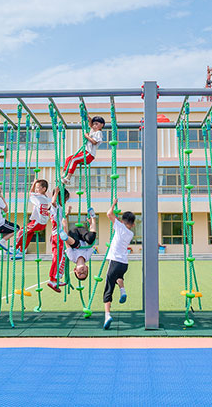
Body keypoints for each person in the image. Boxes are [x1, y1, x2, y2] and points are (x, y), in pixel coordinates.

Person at [103, 199, 135, 330]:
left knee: (108, 288)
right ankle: (123, 291)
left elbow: (108, 214)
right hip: (124, 263)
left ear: (122, 221)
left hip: (115, 261)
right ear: (133, 224)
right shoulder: (131, 233)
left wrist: (113, 204)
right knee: (119, 278)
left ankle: (107, 315)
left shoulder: (120, 226)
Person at [61, 116, 105, 184]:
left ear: (102, 125)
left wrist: (87, 136)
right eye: (93, 124)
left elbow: (94, 142)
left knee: (73, 160)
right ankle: (64, 174)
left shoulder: (98, 132)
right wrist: (87, 116)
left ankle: (68, 178)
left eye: (96, 124)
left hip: (89, 154)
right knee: (69, 158)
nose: (94, 126)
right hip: (84, 152)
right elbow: (90, 123)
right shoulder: (92, 131)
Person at [14, 178, 51, 254]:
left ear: (44, 189)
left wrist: (33, 183)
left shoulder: (38, 197)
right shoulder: (45, 197)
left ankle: (15, 247)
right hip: (42, 223)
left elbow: (31, 193)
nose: (36, 189)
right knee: (29, 234)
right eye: (36, 188)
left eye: (38, 188)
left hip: (38, 222)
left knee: (22, 231)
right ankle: (21, 250)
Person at [63, 206, 98, 283]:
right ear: (87, 268)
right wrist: (91, 225)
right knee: (90, 240)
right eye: (85, 272)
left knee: (75, 245)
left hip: (73, 235)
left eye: (79, 273)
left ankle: (64, 236)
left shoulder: (72, 257)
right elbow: (91, 244)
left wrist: (64, 226)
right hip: (82, 233)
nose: (82, 271)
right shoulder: (87, 257)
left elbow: (67, 244)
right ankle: (93, 217)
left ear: (75, 270)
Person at [47, 186, 71, 292]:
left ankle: (53, 280)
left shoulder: (59, 208)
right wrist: (56, 192)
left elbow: (60, 219)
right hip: (58, 236)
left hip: (55, 235)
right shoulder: (55, 206)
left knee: (56, 257)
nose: (65, 202)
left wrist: (67, 214)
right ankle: (56, 278)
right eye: (65, 199)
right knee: (61, 257)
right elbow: (53, 202)